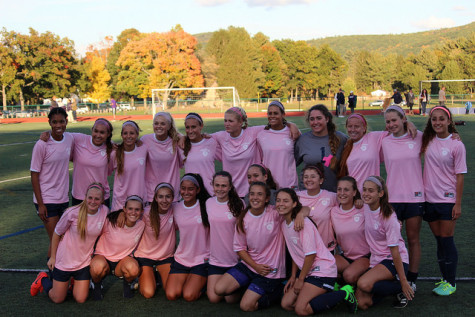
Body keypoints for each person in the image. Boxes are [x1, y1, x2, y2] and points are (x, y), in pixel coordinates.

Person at [278, 188, 357, 315]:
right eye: (278, 200)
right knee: (286, 304)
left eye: (285, 201)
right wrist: (293, 276)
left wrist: (300, 280)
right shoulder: (284, 224)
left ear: (294, 204)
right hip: (308, 271)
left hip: (322, 270)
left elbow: (311, 255)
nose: (281, 204)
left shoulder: (303, 223)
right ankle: (328, 292)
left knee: (301, 309)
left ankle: (345, 292)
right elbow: (295, 253)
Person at [30, 183, 109, 303]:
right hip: (65, 261)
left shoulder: (104, 211)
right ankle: (43, 279)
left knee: (81, 299)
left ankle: (73, 283)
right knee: (58, 299)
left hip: (83, 263)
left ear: (102, 200)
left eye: (97, 199)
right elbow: (56, 234)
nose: (93, 201)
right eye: (90, 198)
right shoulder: (72, 212)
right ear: (85, 197)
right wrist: (52, 257)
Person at [214, 182, 286, 311]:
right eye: (252, 194)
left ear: (267, 198)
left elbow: (299, 208)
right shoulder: (243, 218)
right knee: (220, 290)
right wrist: (255, 266)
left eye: (260, 194)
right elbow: (239, 248)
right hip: (250, 266)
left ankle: (278, 290)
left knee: (246, 306)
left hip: (269, 270)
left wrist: (302, 213)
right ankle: (249, 286)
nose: (255, 197)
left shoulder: (276, 213)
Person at [420, 106, 466, 296]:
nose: (437, 122)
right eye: (434, 119)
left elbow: (460, 176)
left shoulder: (457, 144)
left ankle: (451, 281)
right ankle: (444, 278)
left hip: (447, 200)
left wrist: (458, 203)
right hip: (428, 199)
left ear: (449, 121)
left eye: (441, 119)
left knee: (447, 240)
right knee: (439, 241)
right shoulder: (427, 140)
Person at [212, 106, 299, 197]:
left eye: (230, 121)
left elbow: (275, 123)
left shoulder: (254, 132)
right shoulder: (220, 136)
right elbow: (203, 138)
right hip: (231, 190)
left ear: (240, 122)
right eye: (225, 120)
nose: (227, 124)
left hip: (253, 189)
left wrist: (291, 125)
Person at [381, 105, 423, 293]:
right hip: (393, 199)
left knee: (413, 239)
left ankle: (412, 278)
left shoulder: (418, 136)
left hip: (415, 197)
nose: (391, 124)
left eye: (394, 120)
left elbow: (439, 140)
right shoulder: (384, 140)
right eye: (388, 122)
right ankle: (398, 275)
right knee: (393, 241)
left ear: (403, 118)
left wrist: (455, 135)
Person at [356, 176, 414, 310]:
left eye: (371, 191)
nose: (366, 194)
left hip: (392, 259)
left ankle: (401, 286)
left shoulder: (389, 218)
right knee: (362, 303)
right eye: (364, 190)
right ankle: (386, 287)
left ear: (380, 194)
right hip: (377, 259)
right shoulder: (366, 206)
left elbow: (395, 251)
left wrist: (403, 279)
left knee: (363, 283)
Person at [30, 107, 73, 261]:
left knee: (61, 239)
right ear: (49, 122)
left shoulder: (69, 138)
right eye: (54, 122)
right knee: (57, 240)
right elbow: (34, 174)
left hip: (63, 199)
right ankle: (51, 279)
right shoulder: (42, 144)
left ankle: (58, 277)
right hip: (47, 200)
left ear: (66, 121)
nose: (58, 125)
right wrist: (41, 204)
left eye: (61, 121)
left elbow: (89, 142)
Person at [165, 174, 211, 302]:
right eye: (183, 188)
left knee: (189, 296)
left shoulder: (207, 206)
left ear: (198, 190)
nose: (186, 192)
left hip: (202, 259)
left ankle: (205, 282)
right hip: (182, 258)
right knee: (171, 295)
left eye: (190, 189)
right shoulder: (176, 207)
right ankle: (193, 279)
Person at [90, 195, 145, 299]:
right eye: (130, 209)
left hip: (122, 261)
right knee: (97, 268)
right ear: (124, 209)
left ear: (142, 211)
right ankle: (96, 285)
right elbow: (93, 231)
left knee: (133, 269)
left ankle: (127, 285)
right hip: (103, 258)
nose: (133, 212)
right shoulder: (110, 221)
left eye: (137, 209)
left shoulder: (141, 225)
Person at [206, 171, 244, 303]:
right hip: (216, 260)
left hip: (234, 260)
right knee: (214, 298)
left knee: (230, 300)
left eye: (223, 186)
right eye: (217, 185)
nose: (220, 189)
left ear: (230, 187)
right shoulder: (208, 203)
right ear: (212, 185)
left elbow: (244, 231)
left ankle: (244, 284)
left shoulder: (239, 204)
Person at [134, 183, 176, 298]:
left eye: (168, 196)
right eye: (161, 197)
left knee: (171, 292)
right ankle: (141, 278)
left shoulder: (175, 210)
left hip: (165, 257)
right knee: (148, 293)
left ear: (173, 198)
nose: (164, 200)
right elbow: (129, 216)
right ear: (156, 198)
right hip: (145, 256)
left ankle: (156, 276)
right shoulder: (145, 213)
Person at [294, 104, 347, 192]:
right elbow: (290, 165)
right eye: (312, 119)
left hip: (334, 194)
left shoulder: (341, 138)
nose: (315, 122)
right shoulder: (302, 140)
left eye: (319, 118)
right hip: (308, 194)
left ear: (327, 119)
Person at [331, 177, 370, 285]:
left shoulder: (363, 208)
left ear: (354, 192)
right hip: (346, 257)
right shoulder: (333, 211)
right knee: (323, 267)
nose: (342, 193)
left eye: (346, 190)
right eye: (339, 189)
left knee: (349, 275)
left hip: (365, 256)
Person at [141, 112, 182, 202]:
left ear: (169, 126)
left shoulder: (176, 141)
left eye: (163, 124)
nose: (159, 126)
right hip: (152, 193)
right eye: (156, 123)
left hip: (172, 193)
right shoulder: (145, 140)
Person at [257, 101, 298, 189]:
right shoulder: (261, 135)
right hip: (269, 184)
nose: (272, 116)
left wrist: (291, 125)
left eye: (276, 113)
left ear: (283, 115)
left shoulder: (293, 132)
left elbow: (299, 155)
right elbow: (260, 159)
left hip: (289, 184)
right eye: (270, 113)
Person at [297, 164, 337, 252]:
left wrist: (357, 200)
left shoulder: (331, 197)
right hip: (304, 248)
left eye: (313, 177)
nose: (309, 180)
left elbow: (346, 201)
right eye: (306, 177)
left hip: (326, 247)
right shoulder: (297, 196)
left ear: (321, 180)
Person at [110, 121, 148, 211]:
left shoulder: (143, 149)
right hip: (120, 201)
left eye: (132, 133)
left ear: (137, 134)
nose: (128, 136)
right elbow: (107, 171)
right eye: (125, 133)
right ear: (121, 135)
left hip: (140, 199)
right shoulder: (115, 153)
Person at [180, 112, 220, 194]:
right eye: (187, 127)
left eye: (193, 127)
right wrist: (181, 137)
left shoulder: (211, 142)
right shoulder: (182, 145)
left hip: (210, 192)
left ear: (201, 126)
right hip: (191, 194)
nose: (190, 131)